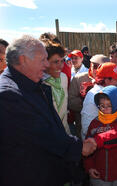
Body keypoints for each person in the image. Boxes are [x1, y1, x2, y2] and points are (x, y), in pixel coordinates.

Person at [0, 35, 88, 186]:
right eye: (42, 60)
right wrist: (79, 147)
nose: (46, 65)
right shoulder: (8, 96)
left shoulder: (31, 84)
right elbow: (42, 135)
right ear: (23, 59)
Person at [84, 85, 117, 186]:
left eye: (109, 105)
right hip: (99, 176)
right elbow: (87, 148)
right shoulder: (94, 124)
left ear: (116, 104)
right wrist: (89, 167)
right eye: (102, 105)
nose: (105, 109)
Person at [68, 54, 110, 138]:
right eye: (94, 66)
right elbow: (70, 101)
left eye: (101, 67)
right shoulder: (78, 79)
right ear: (90, 66)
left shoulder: (111, 79)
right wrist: (86, 100)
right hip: (84, 127)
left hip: (106, 128)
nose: (97, 70)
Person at [81, 62, 117, 139]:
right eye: (115, 79)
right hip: (94, 138)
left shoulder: (97, 90)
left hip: (93, 135)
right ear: (107, 80)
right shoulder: (100, 95)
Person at [39, 38, 70, 134]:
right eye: (56, 62)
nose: (61, 66)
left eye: (62, 61)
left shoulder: (63, 78)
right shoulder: (39, 83)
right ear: (45, 62)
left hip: (65, 132)